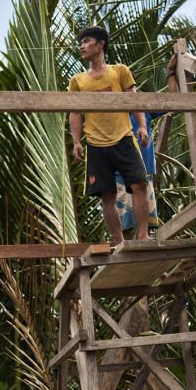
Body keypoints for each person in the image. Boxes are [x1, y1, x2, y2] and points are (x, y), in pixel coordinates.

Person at [68, 26, 151, 246]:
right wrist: (76, 141)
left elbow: (134, 100)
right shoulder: (78, 81)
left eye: (86, 41)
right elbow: (75, 113)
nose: (82, 46)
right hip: (95, 144)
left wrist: (142, 126)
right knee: (107, 196)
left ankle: (142, 236)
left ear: (100, 44)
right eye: (81, 43)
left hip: (123, 138)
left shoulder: (120, 71)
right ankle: (118, 240)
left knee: (140, 185)